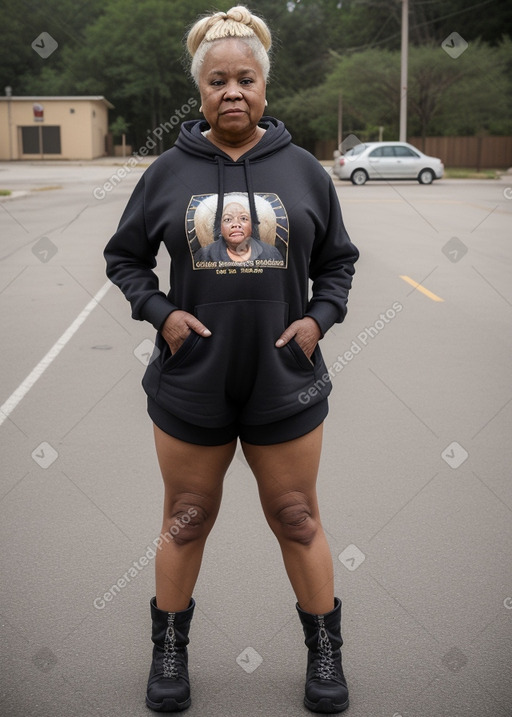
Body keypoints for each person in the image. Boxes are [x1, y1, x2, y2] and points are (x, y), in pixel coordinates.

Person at [104, 5, 359, 714]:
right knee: (186, 515)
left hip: (286, 383)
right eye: (219, 81)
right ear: (202, 92)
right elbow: (124, 258)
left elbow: (338, 264)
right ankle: (170, 649)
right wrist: (162, 314)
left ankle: (325, 651)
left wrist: (318, 319)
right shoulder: (166, 174)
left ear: (265, 88)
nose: (233, 91)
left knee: (297, 514)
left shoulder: (306, 173)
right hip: (193, 383)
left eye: (246, 78)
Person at [194, 199, 284, 264]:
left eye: (243, 218)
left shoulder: (271, 254)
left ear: (252, 225)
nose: (236, 224)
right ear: (220, 227)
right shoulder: (204, 256)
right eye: (228, 219)